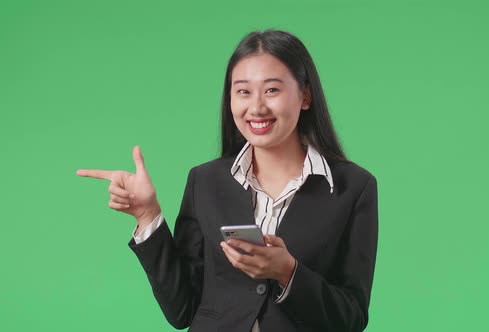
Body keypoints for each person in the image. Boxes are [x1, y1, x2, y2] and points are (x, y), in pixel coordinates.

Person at [77, 29, 378, 332]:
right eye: (243, 91)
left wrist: (289, 273)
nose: (256, 107)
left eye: (272, 90)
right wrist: (148, 215)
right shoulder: (204, 181)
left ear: (305, 95)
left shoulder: (353, 188)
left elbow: (351, 318)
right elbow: (181, 310)